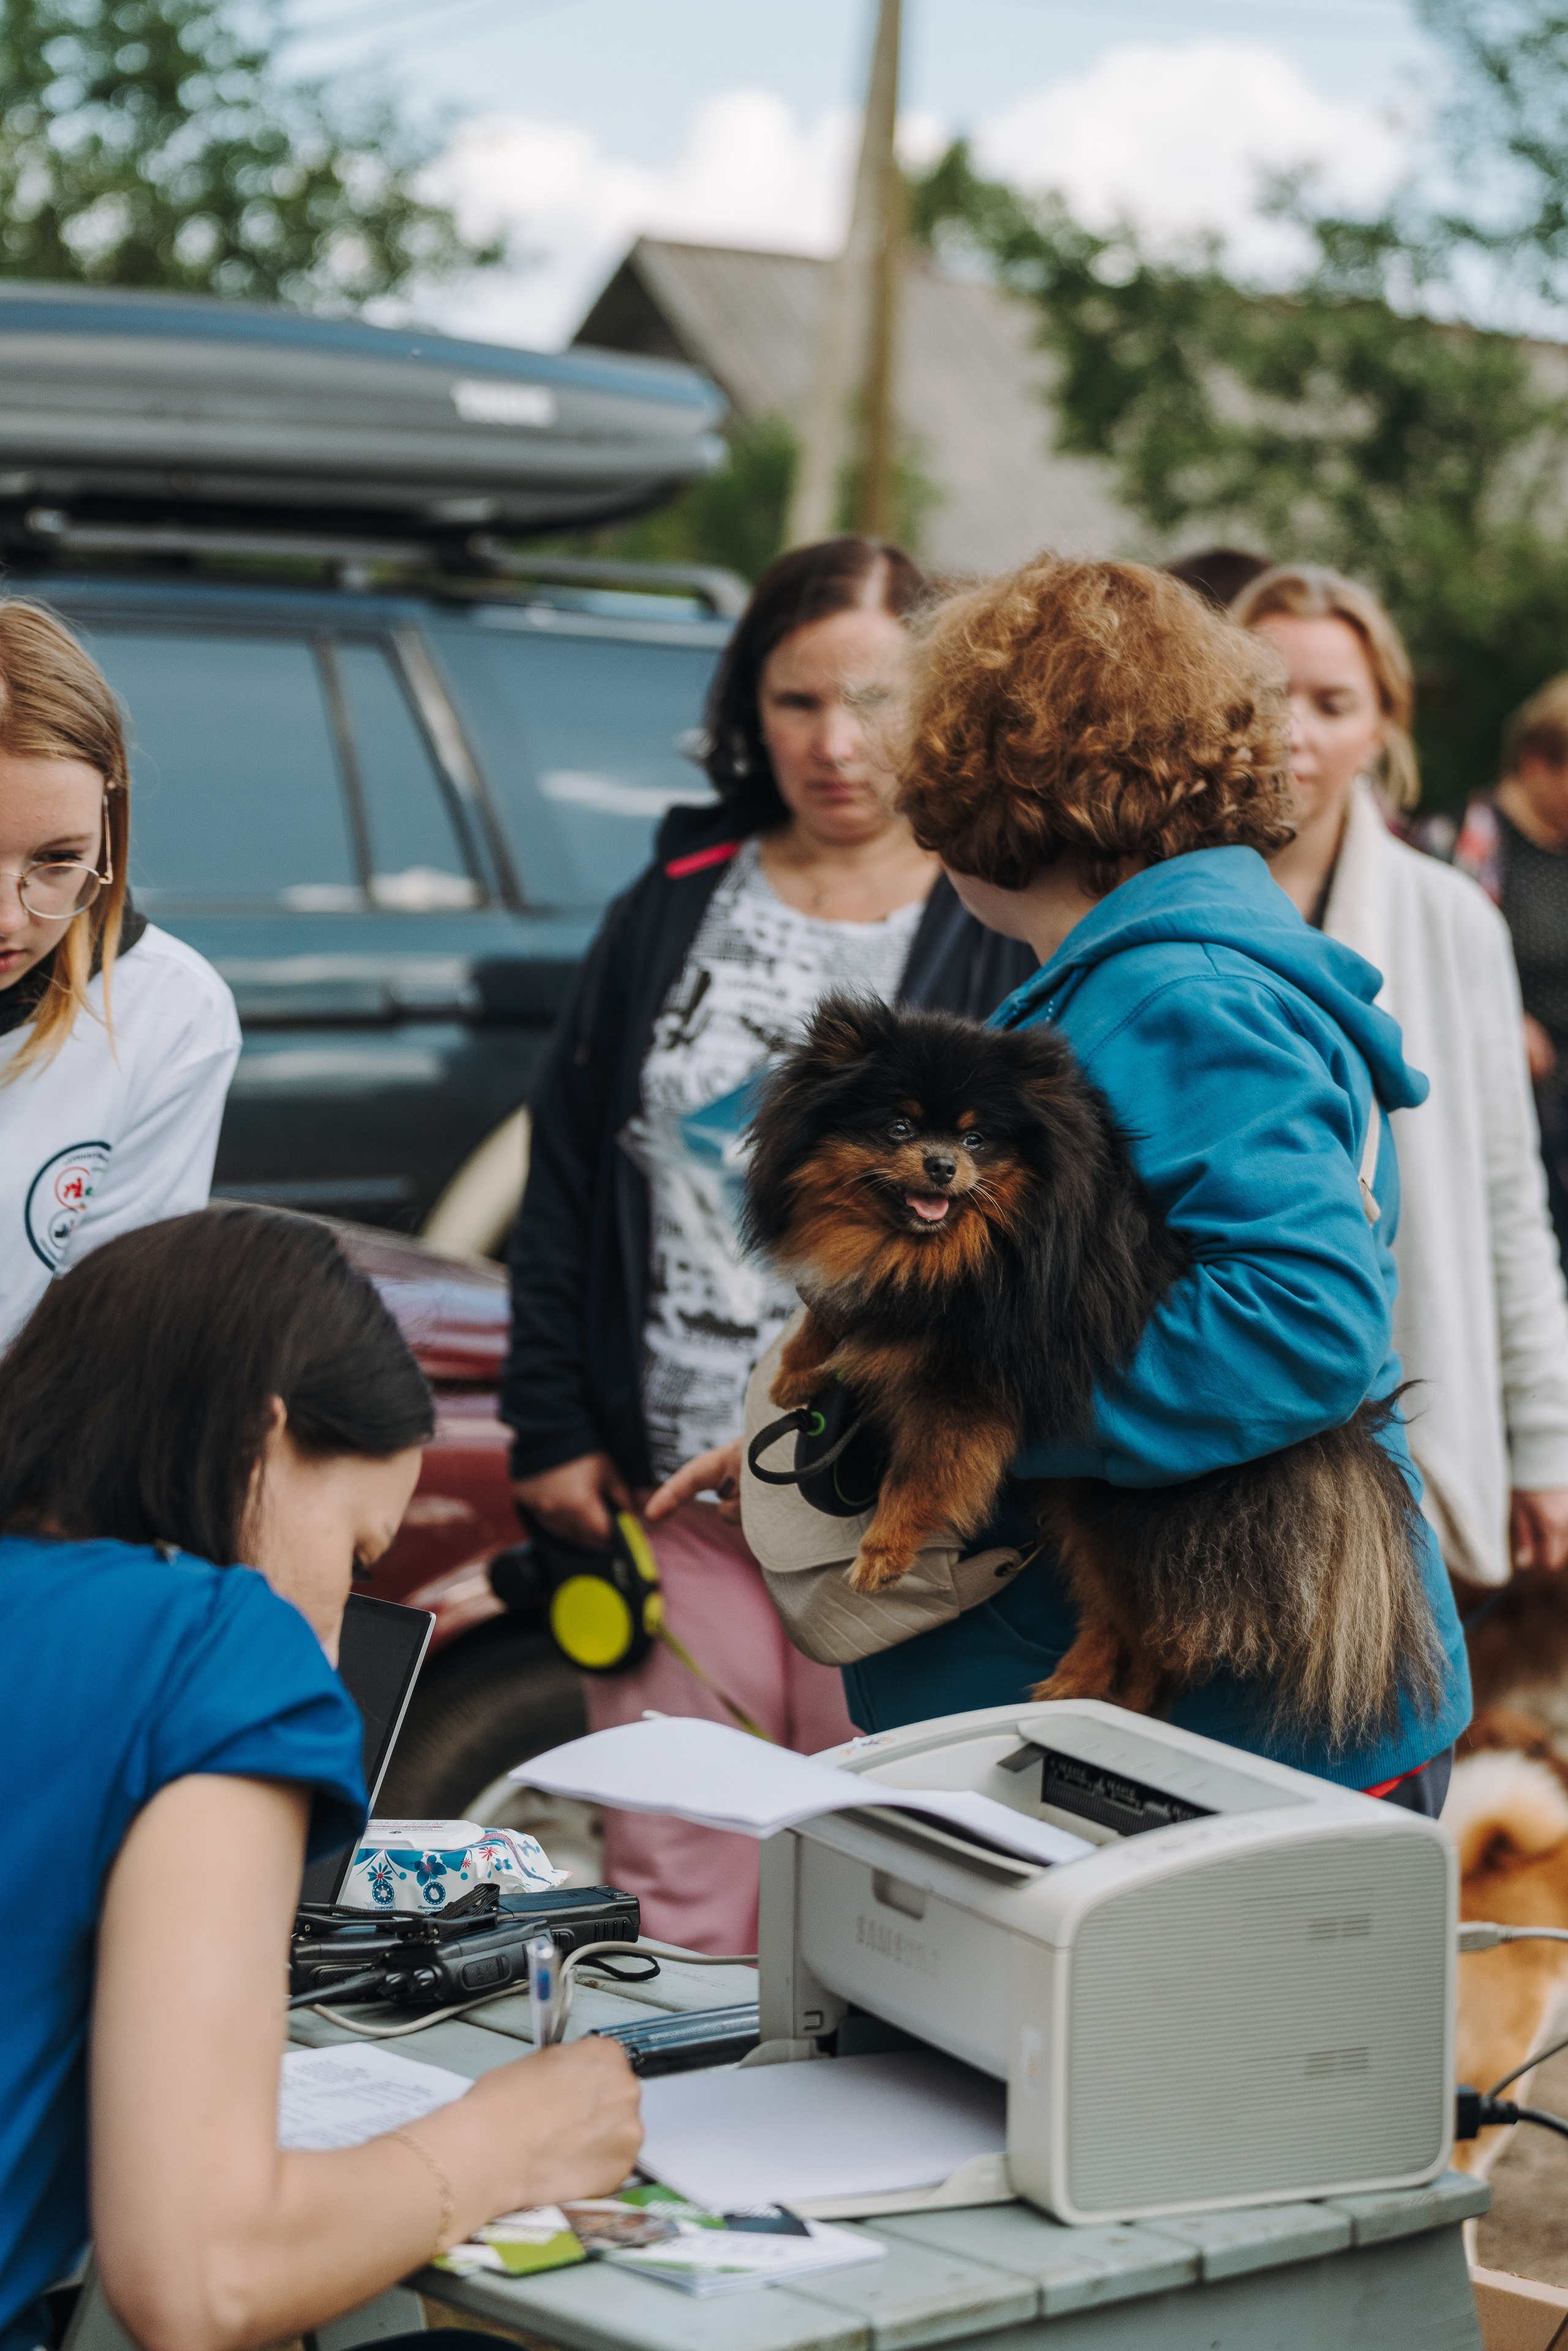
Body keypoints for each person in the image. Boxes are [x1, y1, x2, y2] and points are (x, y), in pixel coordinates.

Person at [837, 555, 1470, 1806]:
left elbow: (1300, 1322)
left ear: (989, 785)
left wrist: (958, 1409)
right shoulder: (1156, 969)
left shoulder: (1178, 995)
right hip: (1201, 1723)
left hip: (1231, 1737)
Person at [502, 536, 1034, 1952]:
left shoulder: (998, 916)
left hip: (885, 1491)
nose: (834, 743)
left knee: (889, 1856)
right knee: (683, 1865)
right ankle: (677, 2154)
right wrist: (548, 1423)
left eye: (871, 699)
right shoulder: (673, 894)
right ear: (749, 709)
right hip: (671, 1477)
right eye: (797, 702)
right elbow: (564, 1173)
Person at [0, 1205, 640, 2351]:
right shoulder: (214, 1647)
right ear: (263, 1436)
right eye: (356, 1556)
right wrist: (505, 2144)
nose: (338, 1643)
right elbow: (206, 2273)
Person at [1229, 567, 1568, 1595]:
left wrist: (1547, 1440)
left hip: (1406, 1401)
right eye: (1267, 693)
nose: (1295, 730)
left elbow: (1508, 1193)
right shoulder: (1139, 901)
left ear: (1382, 728)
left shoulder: (1452, 916)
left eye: (1334, 704)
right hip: (1208, 1413)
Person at [0, 601, 239, 1349]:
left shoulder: (166, 1013)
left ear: (111, 817)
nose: (9, 919)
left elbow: (102, 1357)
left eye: (57, 860)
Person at [1455, 675, 1568, 1261]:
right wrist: (1508, 1018)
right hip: (1523, 1104)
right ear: (1537, 763)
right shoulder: (1477, 844)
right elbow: (1449, 969)